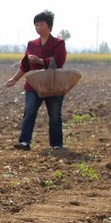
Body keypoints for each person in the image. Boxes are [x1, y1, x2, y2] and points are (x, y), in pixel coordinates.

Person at [5, 9, 67, 150]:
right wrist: (14, 79)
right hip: (33, 85)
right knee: (29, 112)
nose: (38, 27)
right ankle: (24, 142)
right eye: (36, 25)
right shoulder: (31, 44)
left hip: (53, 85)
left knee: (54, 115)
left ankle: (56, 145)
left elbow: (59, 61)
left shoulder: (58, 43)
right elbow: (25, 65)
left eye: (41, 24)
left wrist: (40, 61)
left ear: (49, 26)